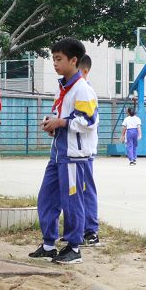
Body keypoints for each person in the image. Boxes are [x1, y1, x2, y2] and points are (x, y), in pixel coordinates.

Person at [28, 38, 99, 265]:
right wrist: (52, 123)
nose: (55, 64)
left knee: (72, 202)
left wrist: (61, 123)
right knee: (46, 198)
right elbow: (64, 118)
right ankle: (49, 244)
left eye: (59, 59)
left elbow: (89, 120)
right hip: (58, 154)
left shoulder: (82, 89)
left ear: (73, 60)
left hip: (74, 158)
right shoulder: (65, 89)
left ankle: (74, 247)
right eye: (53, 59)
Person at [78, 54, 100, 246]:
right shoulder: (71, 89)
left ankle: (91, 231)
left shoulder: (86, 90)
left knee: (86, 190)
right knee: (73, 192)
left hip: (84, 151)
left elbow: (89, 122)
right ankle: (78, 229)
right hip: (71, 151)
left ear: (84, 71)